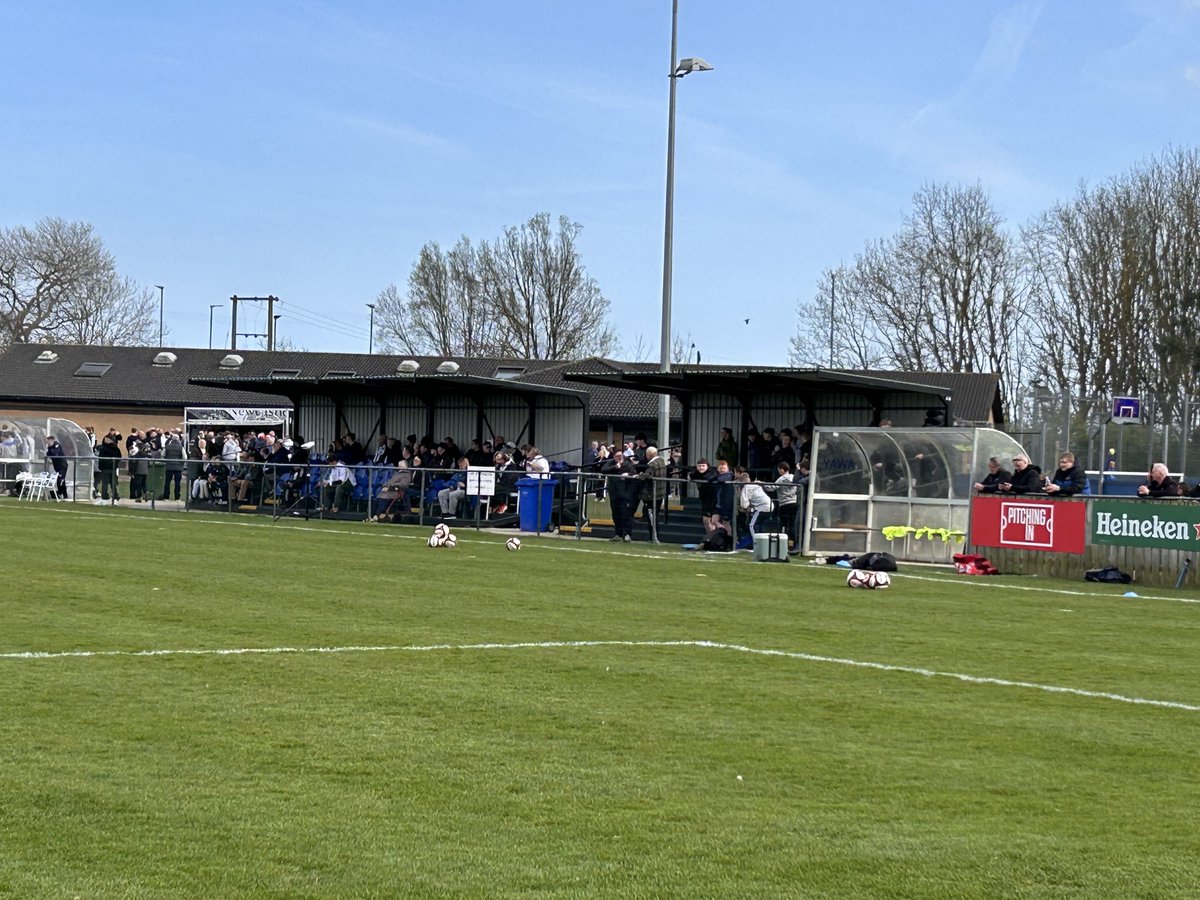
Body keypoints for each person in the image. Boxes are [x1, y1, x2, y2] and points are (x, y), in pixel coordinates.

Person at [601, 449, 638, 542]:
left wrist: (627, 474)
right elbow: (603, 470)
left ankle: (627, 534)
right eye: (617, 456)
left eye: (621, 455)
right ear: (614, 457)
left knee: (626, 514)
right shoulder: (611, 463)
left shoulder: (627, 463)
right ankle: (618, 533)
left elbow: (634, 472)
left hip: (625, 493)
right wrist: (615, 467)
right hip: (614, 493)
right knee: (616, 514)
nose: (619, 457)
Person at [638, 446, 668, 541]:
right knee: (655, 515)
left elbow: (645, 476)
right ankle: (654, 536)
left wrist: (640, 475)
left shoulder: (652, 464)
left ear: (649, 455)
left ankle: (653, 536)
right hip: (660, 493)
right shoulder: (662, 461)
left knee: (651, 517)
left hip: (651, 494)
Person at [734, 466, 773, 538]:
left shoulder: (746, 488)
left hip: (761, 507)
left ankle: (755, 542)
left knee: (751, 525)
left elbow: (744, 505)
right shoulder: (756, 485)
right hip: (770, 506)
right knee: (759, 524)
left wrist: (748, 508)